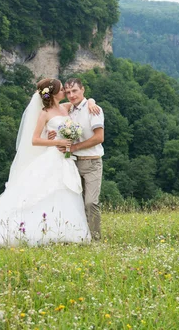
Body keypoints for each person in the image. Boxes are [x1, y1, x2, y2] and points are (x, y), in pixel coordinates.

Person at [0, 78, 99, 248]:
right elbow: (35, 140)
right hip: (53, 156)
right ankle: (36, 231)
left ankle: (64, 231)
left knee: (65, 192)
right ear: (54, 93)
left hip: (67, 159)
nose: (66, 92)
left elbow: (83, 102)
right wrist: (57, 142)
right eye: (62, 89)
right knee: (45, 193)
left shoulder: (65, 108)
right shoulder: (45, 112)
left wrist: (91, 101)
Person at [49, 78, 104, 241]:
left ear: (83, 90)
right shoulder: (69, 110)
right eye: (68, 92)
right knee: (76, 203)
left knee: (91, 202)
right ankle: (80, 236)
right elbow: (51, 113)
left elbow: (99, 137)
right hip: (72, 163)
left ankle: (96, 239)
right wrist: (52, 134)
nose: (71, 95)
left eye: (75, 91)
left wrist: (74, 148)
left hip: (92, 162)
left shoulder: (93, 110)